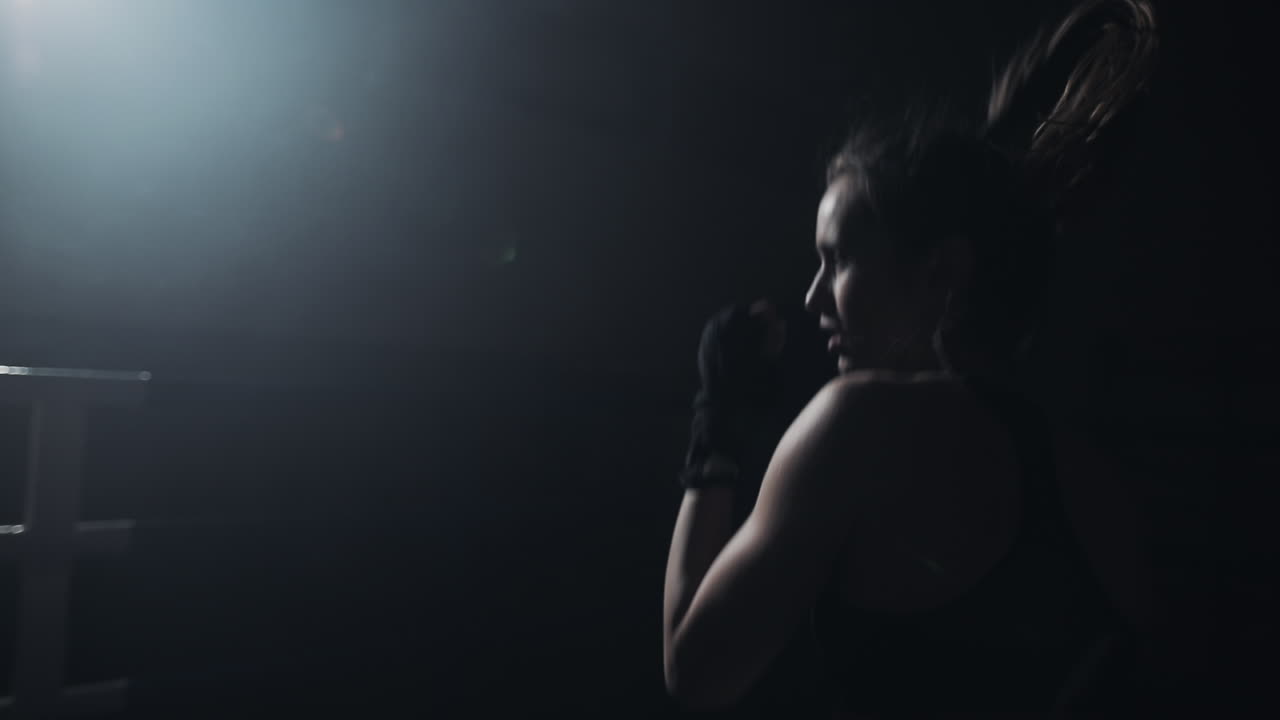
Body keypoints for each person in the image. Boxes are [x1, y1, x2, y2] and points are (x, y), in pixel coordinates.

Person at [662, 0, 1160, 715]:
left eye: (838, 260)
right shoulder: (1097, 486)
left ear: (940, 271)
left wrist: (715, 438)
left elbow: (695, 671)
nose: (812, 299)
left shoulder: (856, 423)